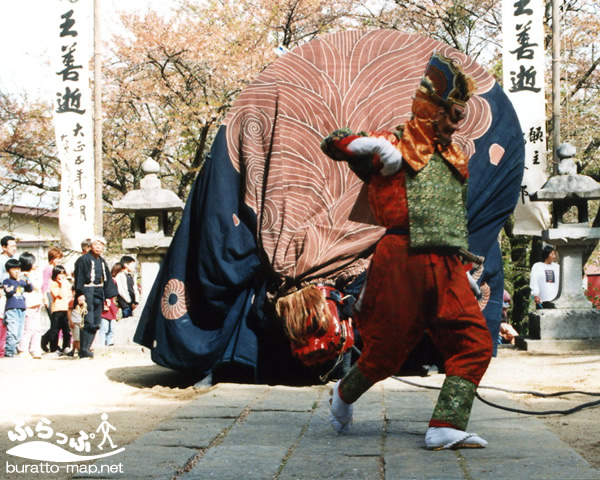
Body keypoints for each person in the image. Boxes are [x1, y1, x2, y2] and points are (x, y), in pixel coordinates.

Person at [320, 52, 493, 450]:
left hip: (448, 265)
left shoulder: (456, 158)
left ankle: (446, 425)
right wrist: (370, 148)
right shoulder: (394, 145)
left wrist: (461, 262)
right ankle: (343, 395)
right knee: (385, 356)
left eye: (460, 117)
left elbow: (454, 217)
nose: (454, 124)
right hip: (401, 260)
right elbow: (332, 143)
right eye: (451, 114)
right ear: (430, 109)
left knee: (475, 343)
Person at [73, 236, 117, 358]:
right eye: (96, 244)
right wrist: (80, 294)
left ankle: (88, 347)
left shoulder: (102, 262)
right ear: (91, 246)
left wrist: (108, 296)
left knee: (96, 321)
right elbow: (79, 277)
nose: (98, 247)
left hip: (99, 291)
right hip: (87, 291)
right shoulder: (83, 260)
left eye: (100, 245)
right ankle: (83, 349)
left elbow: (107, 279)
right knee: (88, 320)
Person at [2, 258, 33, 357]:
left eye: (18, 269)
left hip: (22, 308)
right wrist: (18, 281)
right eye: (14, 269)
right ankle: (9, 352)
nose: (17, 271)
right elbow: (9, 292)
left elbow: (30, 289)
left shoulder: (21, 281)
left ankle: (13, 350)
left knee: (19, 333)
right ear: (8, 271)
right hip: (11, 309)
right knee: (12, 332)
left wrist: (27, 280)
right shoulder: (7, 281)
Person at [17, 252, 44, 359]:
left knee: (37, 329)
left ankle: (35, 349)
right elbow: (36, 286)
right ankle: (23, 349)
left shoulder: (34, 273)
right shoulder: (23, 275)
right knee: (28, 328)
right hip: (28, 304)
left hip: (37, 303)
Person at [0, 235, 17, 357]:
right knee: (3, 320)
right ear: (4, 247)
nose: (14, 248)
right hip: (3, 292)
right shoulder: (0, 260)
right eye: (12, 246)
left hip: (15, 293)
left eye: (15, 246)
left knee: (14, 321)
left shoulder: (15, 259)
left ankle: (11, 346)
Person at [100, 263, 121, 347]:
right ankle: (102, 345)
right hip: (106, 308)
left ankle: (109, 343)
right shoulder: (107, 282)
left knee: (111, 328)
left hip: (112, 307)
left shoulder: (113, 281)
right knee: (104, 328)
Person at [67, 286, 85, 357]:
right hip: (74, 321)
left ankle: (73, 351)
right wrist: (70, 321)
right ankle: (80, 352)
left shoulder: (82, 301)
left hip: (80, 321)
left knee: (76, 337)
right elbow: (69, 312)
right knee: (77, 339)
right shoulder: (72, 301)